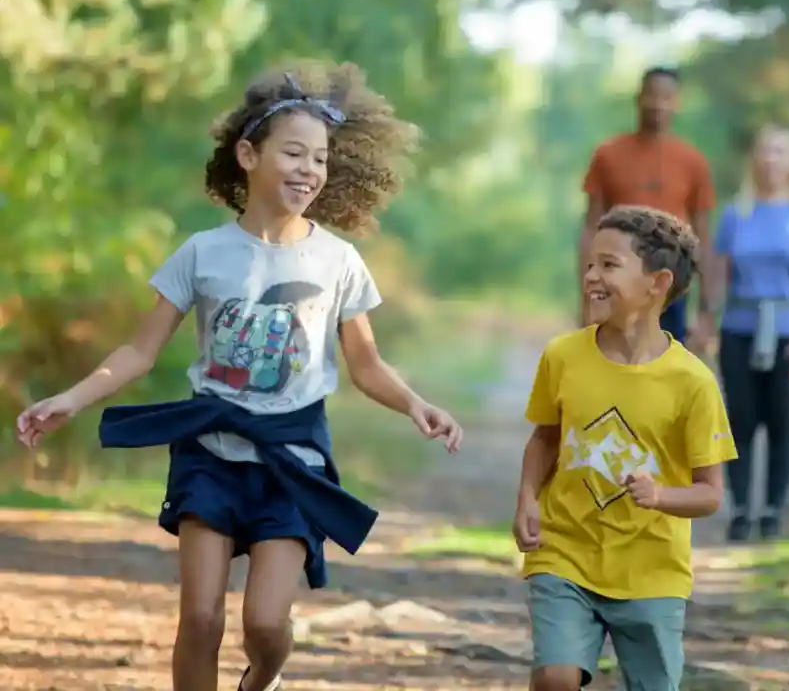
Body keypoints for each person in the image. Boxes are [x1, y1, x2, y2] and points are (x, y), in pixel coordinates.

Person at [15, 61, 464, 691]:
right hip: (210, 455)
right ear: (249, 156)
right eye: (294, 153)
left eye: (321, 158)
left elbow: (365, 363)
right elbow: (139, 351)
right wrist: (71, 398)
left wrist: (416, 403)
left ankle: (261, 680)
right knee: (200, 619)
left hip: (292, 459)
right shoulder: (202, 253)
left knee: (266, 625)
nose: (310, 170)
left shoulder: (338, 260)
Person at [513, 205, 737, 691]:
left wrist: (660, 495)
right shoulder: (563, 356)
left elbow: (710, 494)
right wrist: (527, 498)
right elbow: (545, 438)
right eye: (591, 263)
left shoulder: (693, 383)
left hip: (652, 572)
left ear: (657, 283)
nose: (591, 276)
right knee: (554, 676)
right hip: (566, 553)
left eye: (609, 265)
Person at [713, 125, 789, 543]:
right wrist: (708, 320)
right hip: (740, 330)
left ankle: (771, 511)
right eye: (764, 151)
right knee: (741, 421)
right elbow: (719, 274)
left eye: (779, 152)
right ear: (754, 160)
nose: (770, 159)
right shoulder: (736, 215)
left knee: (783, 422)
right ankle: (741, 510)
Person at [580, 67, 717, 348]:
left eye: (667, 97)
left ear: (677, 103)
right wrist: (586, 298)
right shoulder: (608, 155)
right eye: (652, 95)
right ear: (638, 98)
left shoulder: (692, 161)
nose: (658, 104)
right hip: (616, 282)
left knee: (665, 367)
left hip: (670, 287)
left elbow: (703, 237)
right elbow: (590, 229)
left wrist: (706, 312)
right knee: (615, 362)